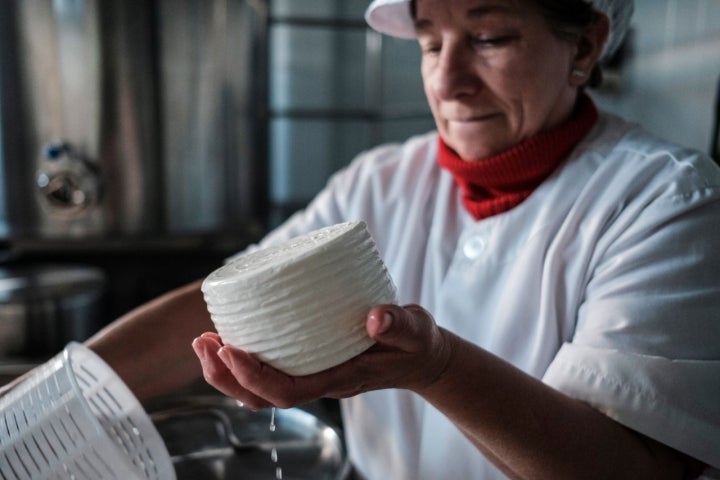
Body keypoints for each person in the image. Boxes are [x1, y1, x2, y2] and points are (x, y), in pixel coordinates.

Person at [84, 0, 720, 478]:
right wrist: (58, 391)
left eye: (489, 38)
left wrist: (437, 367)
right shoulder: (382, 181)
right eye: (429, 43)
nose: (448, 82)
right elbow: (227, 303)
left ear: (584, 47)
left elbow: (631, 469)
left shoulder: (665, 199)